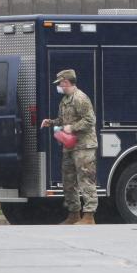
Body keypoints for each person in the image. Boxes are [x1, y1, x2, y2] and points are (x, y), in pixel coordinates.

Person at [40, 68, 98, 225]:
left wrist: (72, 128)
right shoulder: (65, 100)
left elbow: (90, 120)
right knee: (68, 180)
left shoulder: (80, 98)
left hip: (84, 146)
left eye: (60, 83)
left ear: (66, 82)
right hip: (70, 146)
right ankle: (74, 214)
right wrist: (51, 122)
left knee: (85, 179)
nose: (58, 86)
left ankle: (89, 216)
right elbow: (62, 120)